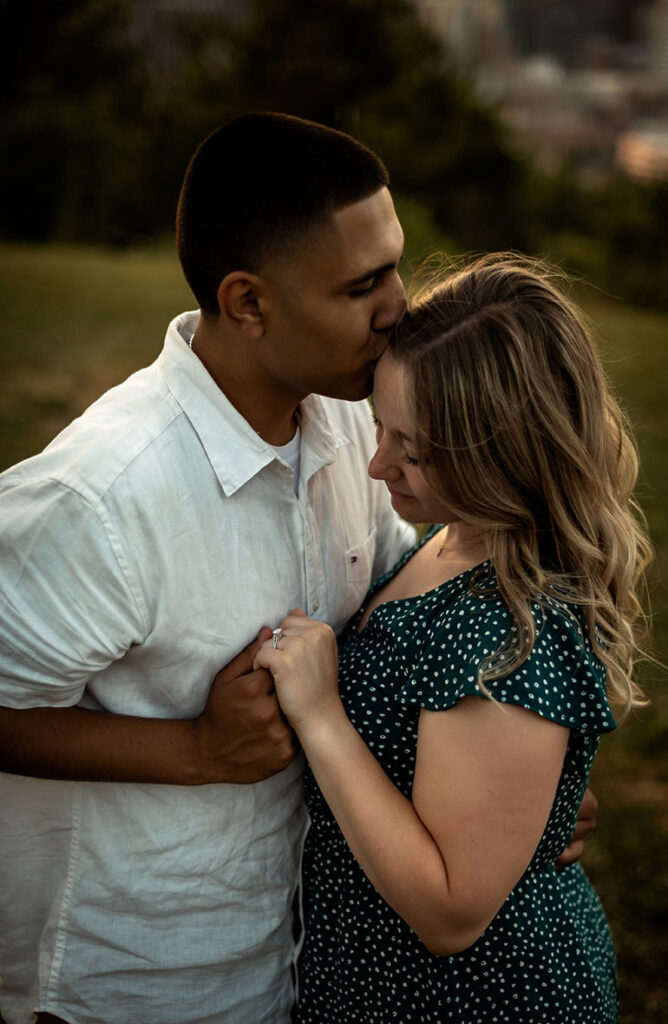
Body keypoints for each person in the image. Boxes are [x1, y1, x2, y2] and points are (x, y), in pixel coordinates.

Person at [0, 115, 594, 1024]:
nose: (399, 305)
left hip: (307, 960)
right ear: (248, 302)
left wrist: (513, 788)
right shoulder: (102, 499)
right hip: (140, 978)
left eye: (397, 265)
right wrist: (192, 752)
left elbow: (425, 604)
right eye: (363, 285)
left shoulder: (365, 423)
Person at [256, 255, 651, 1023]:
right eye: (381, 428)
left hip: (464, 998)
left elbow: (450, 913)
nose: (377, 465)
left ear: (506, 455)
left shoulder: (511, 625)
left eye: (416, 450)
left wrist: (321, 714)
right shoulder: (456, 537)